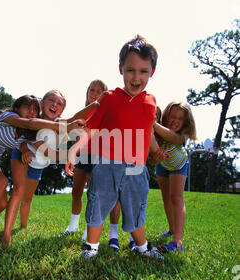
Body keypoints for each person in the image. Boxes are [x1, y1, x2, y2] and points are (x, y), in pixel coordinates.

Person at [66, 35, 166, 259]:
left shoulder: (151, 103)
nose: (136, 77)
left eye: (143, 71)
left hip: (136, 169)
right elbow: (91, 129)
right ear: (121, 69)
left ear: (152, 72)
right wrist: (74, 150)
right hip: (106, 166)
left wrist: (155, 149)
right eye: (131, 70)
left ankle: (142, 247)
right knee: (97, 205)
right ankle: (91, 247)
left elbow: (147, 130)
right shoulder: (108, 98)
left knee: (135, 209)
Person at [0, 94, 85, 265]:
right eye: (27, 106)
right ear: (16, 108)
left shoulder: (26, 134)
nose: (31, 111)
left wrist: (71, 153)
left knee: (1, 204)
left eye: (35, 109)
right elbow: (29, 124)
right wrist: (67, 126)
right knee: (2, 183)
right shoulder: (8, 117)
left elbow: (27, 141)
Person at [1, 89, 104, 246]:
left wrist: (95, 105)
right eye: (52, 101)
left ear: (61, 110)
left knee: (27, 198)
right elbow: (28, 139)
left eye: (59, 103)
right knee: (17, 190)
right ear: (42, 103)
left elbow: (75, 118)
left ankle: (23, 226)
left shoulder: (58, 124)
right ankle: (6, 234)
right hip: (22, 156)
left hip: (38, 165)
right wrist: (24, 148)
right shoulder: (33, 118)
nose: (55, 105)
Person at [59, 80, 122, 252]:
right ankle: (73, 225)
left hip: (100, 155)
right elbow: (81, 135)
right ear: (87, 92)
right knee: (76, 191)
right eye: (92, 90)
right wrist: (72, 154)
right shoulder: (84, 113)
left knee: (94, 195)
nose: (95, 93)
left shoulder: (103, 109)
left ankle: (90, 231)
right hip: (84, 154)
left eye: (99, 91)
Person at [152, 101, 197, 252]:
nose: (175, 121)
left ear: (186, 122)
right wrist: (155, 158)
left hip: (179, 165)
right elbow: (151, 160)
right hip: (163, 165)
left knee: (176, 198)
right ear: (166, 116)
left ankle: (177, 241)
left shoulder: (182, 135)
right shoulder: (157, 131)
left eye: (180, 118)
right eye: (172, 117)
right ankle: (171, 229)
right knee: (166, 198)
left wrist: (153, 124)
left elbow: (172, 137)